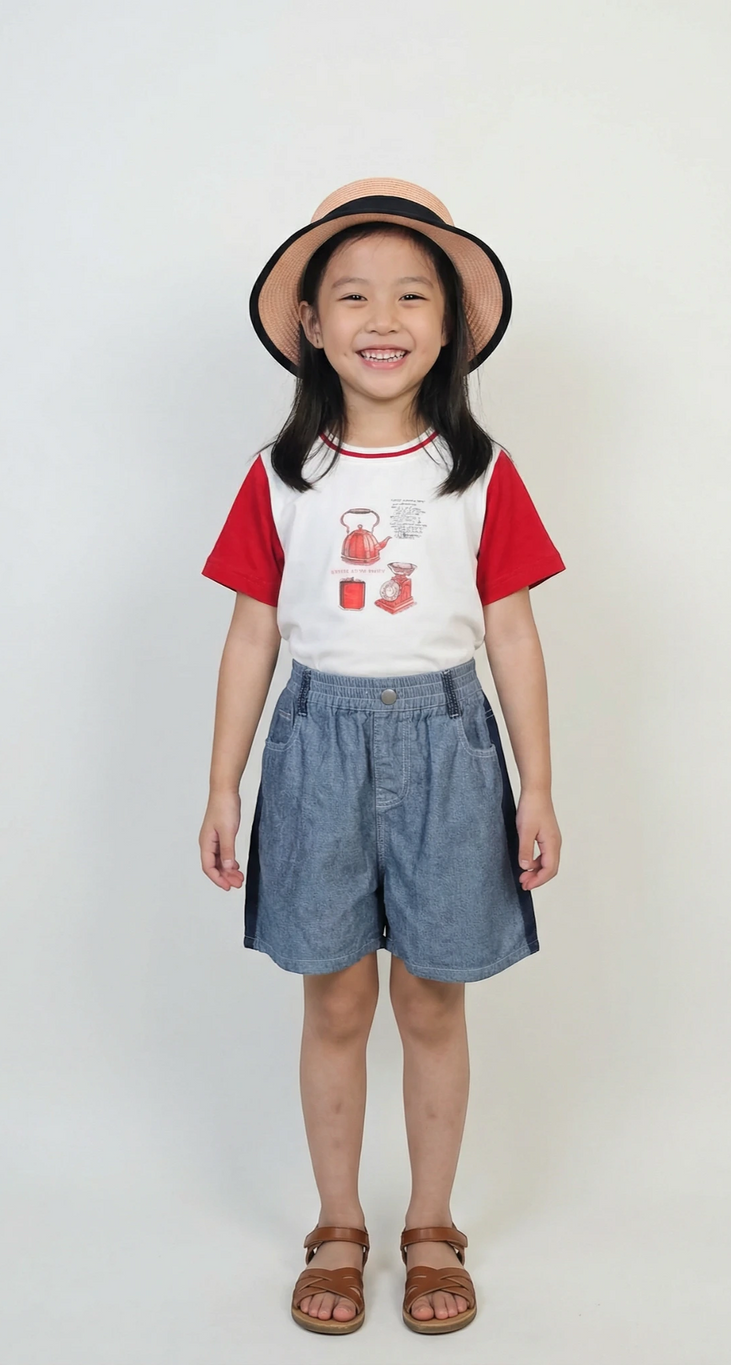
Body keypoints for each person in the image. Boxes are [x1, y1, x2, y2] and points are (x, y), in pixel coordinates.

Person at [198, 178, 565, 1336]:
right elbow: (254, 627)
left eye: (412, 293)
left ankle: (433, 1223)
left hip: (451, 747)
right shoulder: (282, 474)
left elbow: (511, 626)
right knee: (338, 999)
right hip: (315, 745)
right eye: (351, 294)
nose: (382, 315)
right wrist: (224, 781)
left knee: (434, 1001)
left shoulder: (478, 472)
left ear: (450, 324)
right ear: (310, 323)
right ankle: (340, 1224)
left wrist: (538, 784)